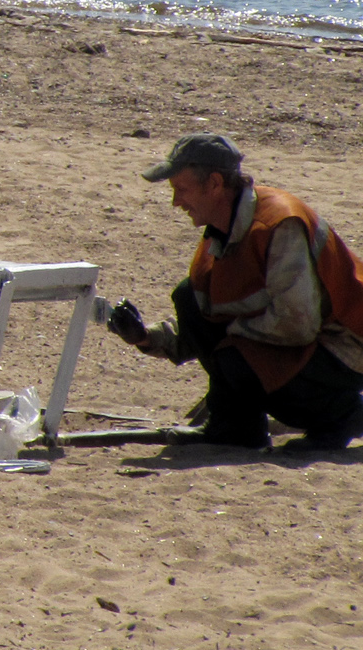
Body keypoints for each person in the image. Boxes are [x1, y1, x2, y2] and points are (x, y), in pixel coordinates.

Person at [109, 133, 363, 450]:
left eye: (181, 190)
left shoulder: (280, 224)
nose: (176, 202)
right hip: (306, 338)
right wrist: (145, 338)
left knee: (236, 358)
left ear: (215, 184)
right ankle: (235, 429)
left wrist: (232, 340)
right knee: (189, 297)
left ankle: (343, 416)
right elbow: (205, 323)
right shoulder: (223, 229)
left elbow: (297, 324)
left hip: (347, 347)